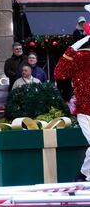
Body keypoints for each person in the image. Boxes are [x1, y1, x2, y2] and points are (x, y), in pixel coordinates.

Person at [54, 31, 90, 181]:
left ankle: (83, 175)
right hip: (85, 110)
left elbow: (59, 72)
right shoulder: (80, 56)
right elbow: (59, 73)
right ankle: (83, 175)